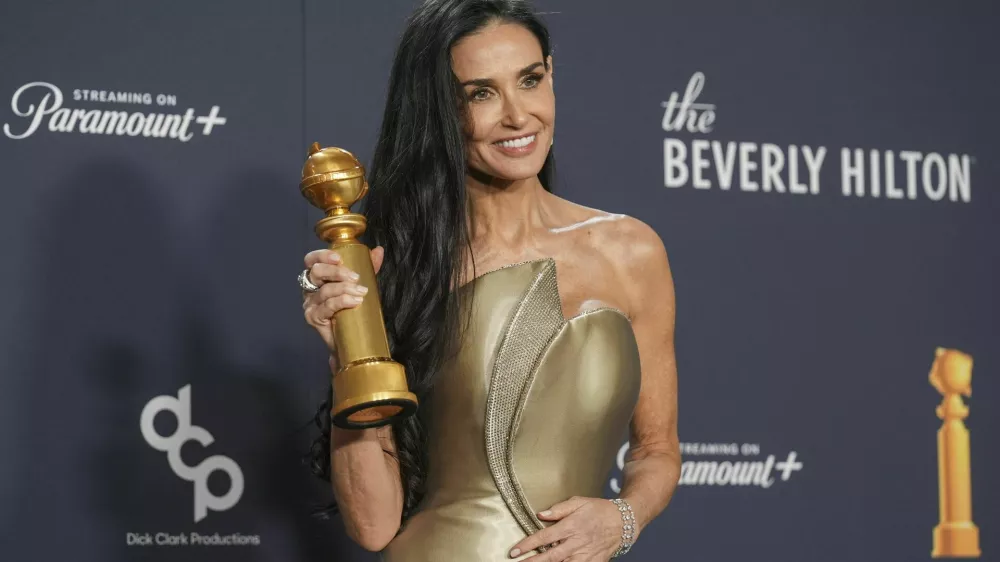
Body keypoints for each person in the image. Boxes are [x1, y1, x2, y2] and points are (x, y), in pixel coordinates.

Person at [300, 1, 680, 560]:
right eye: (481, 93)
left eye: (528, 80)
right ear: (440, 111)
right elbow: (374, 526)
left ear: (551, 74)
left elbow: (657, 449)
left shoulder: (631, 250)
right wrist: (347, 362)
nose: (517, 116)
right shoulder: (398, 263)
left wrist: (622, 518)